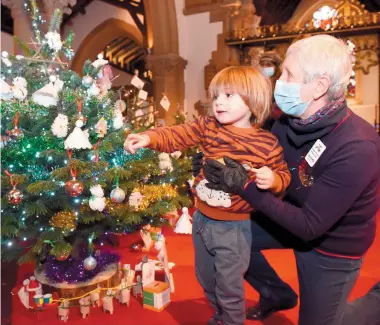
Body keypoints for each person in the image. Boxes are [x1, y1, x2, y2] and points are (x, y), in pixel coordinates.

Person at [199, 35, 380, 325]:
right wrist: (216, 159)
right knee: (226, 236)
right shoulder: (286, 120)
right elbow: (259, 157)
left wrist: (242, 185)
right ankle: (276, 293)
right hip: (287, 212)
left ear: (318, 86)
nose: (278, 81)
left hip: (331, 243)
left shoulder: (357, 146)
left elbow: (309, 226)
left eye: (288, 74)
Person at [124, 65, 291, 325]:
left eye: (228, 96)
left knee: (229, 286)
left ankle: (231, 320)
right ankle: (220, 317)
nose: (218, 102)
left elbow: (283, 176)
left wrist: (273, 180)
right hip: (201, 220)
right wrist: (149, 137)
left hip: (234, 229)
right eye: (216, 97)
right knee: (206, 279)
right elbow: (177, 133)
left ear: (253, 101)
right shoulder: (209, 126)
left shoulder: (266, 143)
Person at [258, 51, 283, 130]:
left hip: (276, 124)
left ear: (276, 66)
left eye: (268, 65)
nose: (265, 67)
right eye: (262, 65)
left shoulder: (281, 85)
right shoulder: (258, 83)